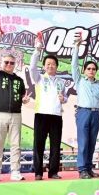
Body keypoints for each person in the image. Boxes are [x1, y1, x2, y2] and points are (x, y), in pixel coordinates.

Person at [0, 29, 29, 182]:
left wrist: (24, 100)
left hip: (16, 115)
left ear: (15, 64)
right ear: (2, 63)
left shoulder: (19, 80)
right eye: (6, 62)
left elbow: (23, 96)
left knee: (15, 145)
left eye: (12, 63)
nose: (9, 65)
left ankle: (15, 171)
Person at [29, 35, 67, 180]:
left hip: (56, 116)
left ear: (57, 66)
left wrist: (64, 99)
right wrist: (37, 51)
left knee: (55, 145)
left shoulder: (61, 82)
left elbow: (64, 98)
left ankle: (53, 172)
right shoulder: (39, 78)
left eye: (53, 64)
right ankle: (38, 172)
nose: (51, 66)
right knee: (39, 144)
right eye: (48, 64)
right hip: (41, 114)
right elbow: (32, 67)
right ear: (44, 66)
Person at [73, 34, 99, 179]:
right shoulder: (79, 81)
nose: (91, 70)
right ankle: (82, 169)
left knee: (92, 142)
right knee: (83, 142)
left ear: (96, 71)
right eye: (88, 68)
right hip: (83, 112)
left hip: (95, 114)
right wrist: (76, 47)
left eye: (93, 69)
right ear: (84, 70)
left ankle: (88, 168)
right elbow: (74, 65)